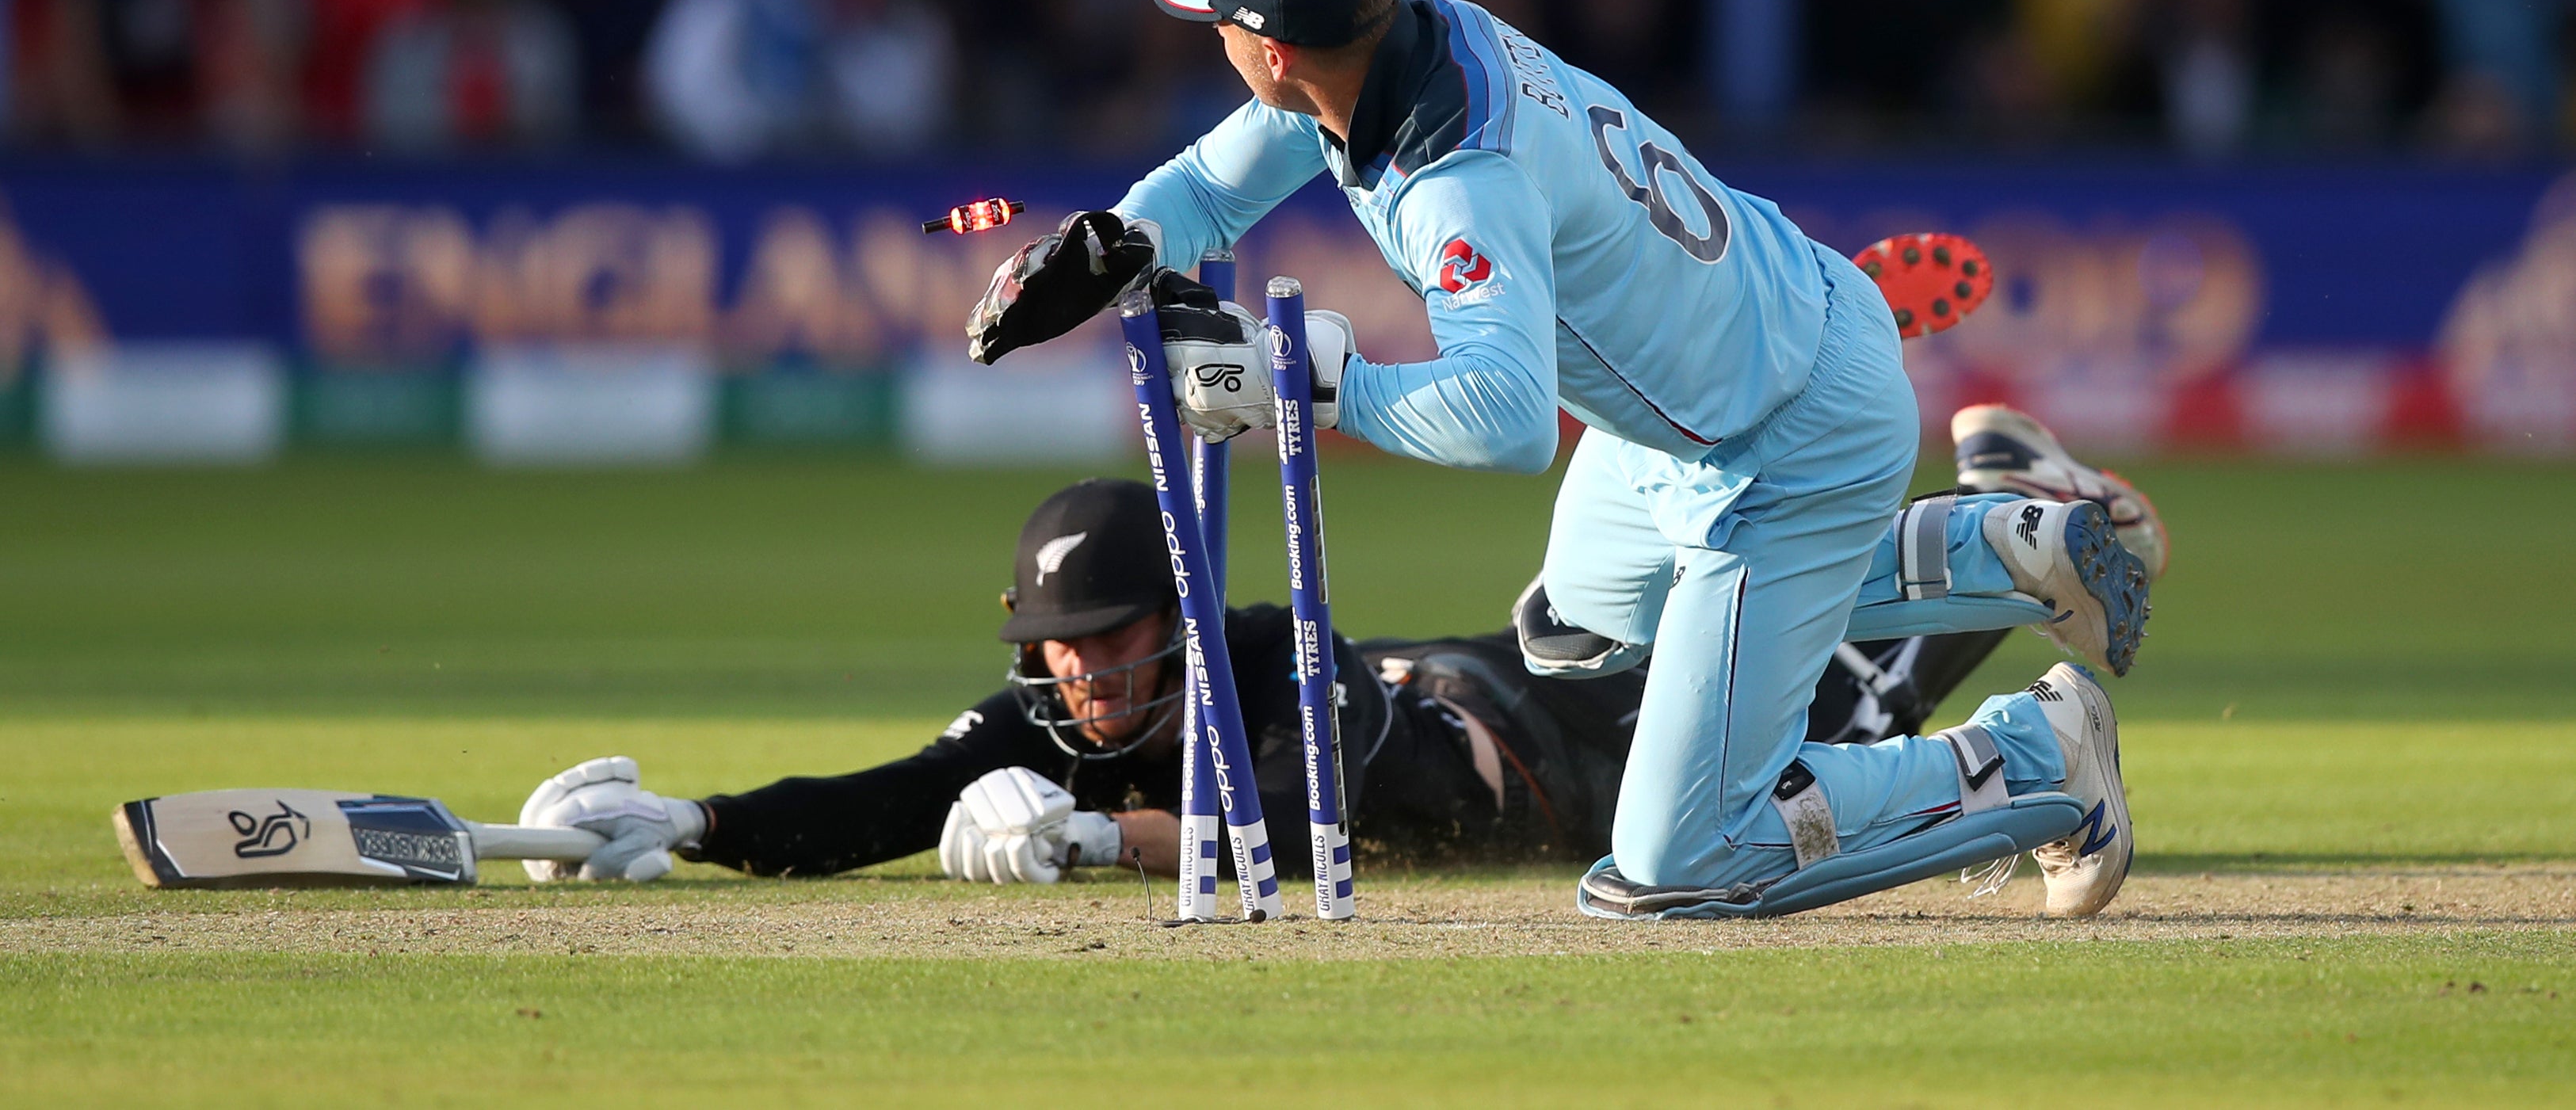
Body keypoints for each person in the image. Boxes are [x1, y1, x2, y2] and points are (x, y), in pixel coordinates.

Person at [959, 0, 2156, 920]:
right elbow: (1218, 181)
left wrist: (1315, 389)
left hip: (1786, 444)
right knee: (1569, 630)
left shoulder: (1455, 181)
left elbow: (1512, 418)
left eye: (1218, 18)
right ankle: (1999, 540)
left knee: (1675, 864)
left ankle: (2041, 758)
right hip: (1734, 370)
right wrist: (1116, 243)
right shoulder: (1403, 33)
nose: (1208, 34)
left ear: (1271, 50)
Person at [514, 410, 2166, 888]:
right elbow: (888, 796)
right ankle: (2013, 516)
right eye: (1058, 649)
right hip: (1515, 680)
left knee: (1823, 691)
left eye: (1108, 640)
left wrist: (1101, 840)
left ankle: (2040, 539)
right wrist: (704, 825)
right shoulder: (1066, 708)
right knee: (1812, 669)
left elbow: (1304, 830)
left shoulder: (1261, 656)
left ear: (1171, 618)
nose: (1081, 675)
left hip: (1565, 735)